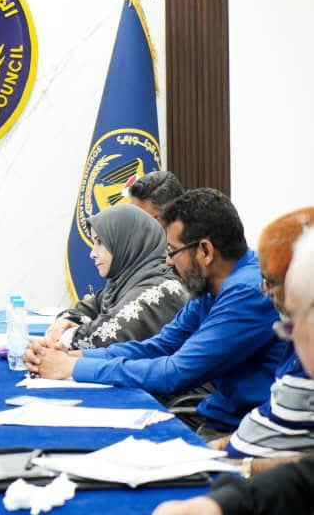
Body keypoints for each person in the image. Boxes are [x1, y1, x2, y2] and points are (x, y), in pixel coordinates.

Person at [25, 189, 286, 434]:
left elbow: (175, 372)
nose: (168, 261)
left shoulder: (247, 293)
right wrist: (74, 356)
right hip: (219, 417)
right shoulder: (211, 283)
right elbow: (159, 346)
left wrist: (73, 368)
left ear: (205, 251)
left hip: (241, 431)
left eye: (172, 251)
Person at [153, 226, 314, 515]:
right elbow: (306, 475)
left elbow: (175, 371)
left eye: (291, 324)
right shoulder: (210, 291)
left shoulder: (243, 293)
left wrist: (245, 467)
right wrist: (221, 503)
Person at [207, 208, 314, 470]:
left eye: (271, 282)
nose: (265, 292)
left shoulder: (242, 294)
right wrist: (224, 446)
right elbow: (273, 414)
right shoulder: (294, 337)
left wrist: (242, 467)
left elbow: (180, 369)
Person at [43, 204, 188, 349]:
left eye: (100, 242)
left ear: (127, 241)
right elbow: (87, 308)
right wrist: (65, 322)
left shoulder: (161, 289)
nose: (92, 254)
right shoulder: (124, 282)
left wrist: (66, 335)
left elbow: (103, 338)